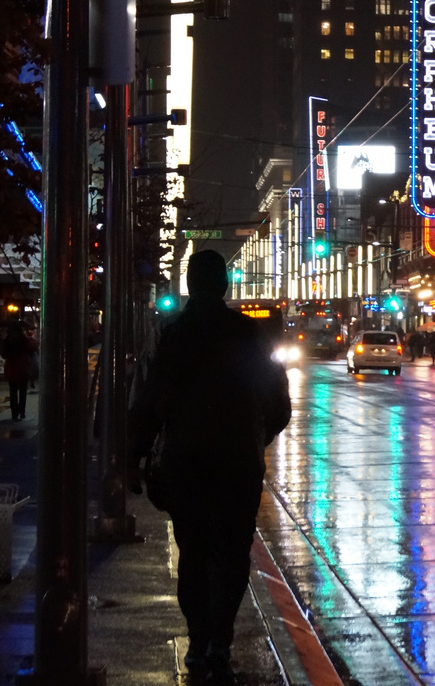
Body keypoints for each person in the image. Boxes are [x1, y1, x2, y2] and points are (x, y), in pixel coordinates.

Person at [129, 250, 291, 683]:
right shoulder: (250, 334)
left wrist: (134, 457)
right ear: (223, 285)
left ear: (189, 284)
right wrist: (256, 437)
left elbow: (145, 402)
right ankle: (221, 639)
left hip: (186, 458)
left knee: (194, 553)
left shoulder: (170, 334)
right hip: (238, 461)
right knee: (232, 554)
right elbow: (278, 404)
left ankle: (199, 640)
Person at [1, 322, 36, 421]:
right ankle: (22, 411)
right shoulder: (24, 339)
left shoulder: (8, 340)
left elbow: (4, 354)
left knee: (13, 392)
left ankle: (14, 412)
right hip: (22, 366)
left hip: (11, 367)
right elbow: (32, 349)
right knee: (23, 391)